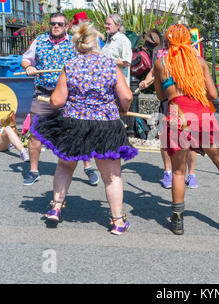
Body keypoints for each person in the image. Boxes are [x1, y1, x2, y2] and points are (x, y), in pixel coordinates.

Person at [30, 22, 138, 235]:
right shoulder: (109, 65)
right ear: (96, 44)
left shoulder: (70, 65)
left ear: (78, 45)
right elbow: (126, 96)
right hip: (105, 124)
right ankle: (117, 221)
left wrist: (64, 102)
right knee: (112, 175)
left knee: (65, 166)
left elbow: (57, 100)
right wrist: (122, 110)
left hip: (74, 123)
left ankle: (56, 207)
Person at [153, 24, 219, 235]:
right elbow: (213, 94)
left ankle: (178, 219)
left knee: (179, 171)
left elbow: (160, 96)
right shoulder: (199, 61)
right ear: (187, 39)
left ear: (169, 40)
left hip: (178, 115)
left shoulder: (161, 63)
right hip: (202, 113)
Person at [21, 12, 99, 186]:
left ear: (66, 26)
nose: (55, 26)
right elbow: (26, 59)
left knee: (80, 132)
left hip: (69, 96)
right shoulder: (39, 41)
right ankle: (33, 171)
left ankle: (88, 167)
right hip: (43, 95)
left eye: (59, 24)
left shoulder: (74, 42)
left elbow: (87, 61)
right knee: (35, 134)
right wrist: (29, 67)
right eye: (53, 23)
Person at [139, 30, 199, 189]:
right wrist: (146, 81)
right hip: (167, 99)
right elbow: (153, 72)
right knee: (165, 137)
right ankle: (167, 172)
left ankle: (191, 174)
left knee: (190, 138)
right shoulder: (160, 53)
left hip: (187, 99)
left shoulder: (190, 51)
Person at [101, 14, 132, 87]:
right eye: (106, 24)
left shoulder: (123, 40)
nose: (106, 26)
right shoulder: (109, 40)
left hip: (119, 86)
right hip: (108, 84)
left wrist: (108, 61)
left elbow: (127, 62)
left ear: (117, 26)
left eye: (109, 24)